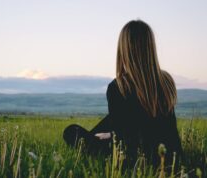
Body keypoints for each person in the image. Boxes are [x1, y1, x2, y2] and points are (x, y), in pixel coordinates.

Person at [63, 20, 183, 169]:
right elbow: (161, 128)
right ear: (150, 47)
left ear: (124, 49)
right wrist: (112, 133)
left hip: (134, 160)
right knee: (111, 120)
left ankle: (97, 138)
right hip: (170, 157)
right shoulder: (166, 81)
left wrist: (111, 136)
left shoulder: (119, 86)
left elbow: (125, 140)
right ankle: (103, 134)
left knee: (71, 132)